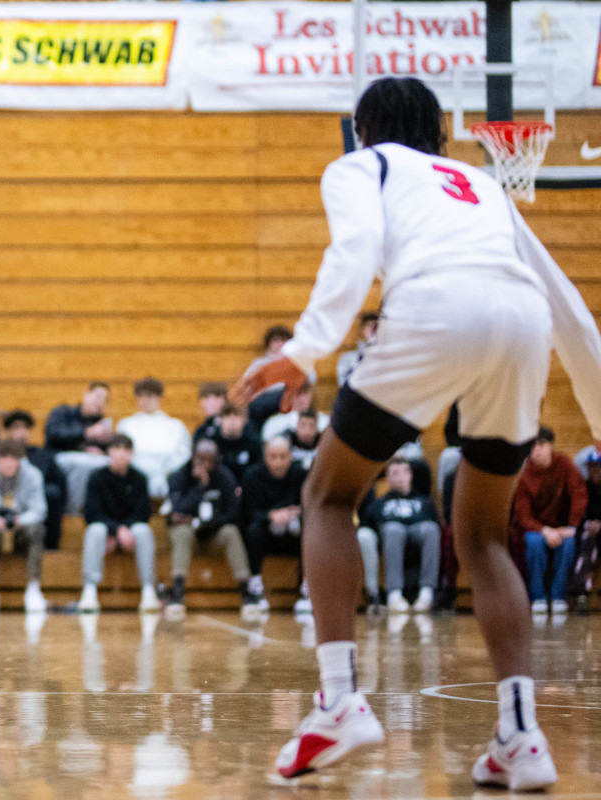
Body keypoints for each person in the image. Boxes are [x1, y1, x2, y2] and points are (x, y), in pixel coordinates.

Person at [231, 77, 601, 788]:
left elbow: (356, 248)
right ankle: (520, 736)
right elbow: (567, 302)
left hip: (435, 302)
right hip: (522, 321)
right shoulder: (480, 182)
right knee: (485, 534)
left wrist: (305, 348)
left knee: (329, 495)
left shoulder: (362, 166)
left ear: (362, 132)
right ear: (441, 137)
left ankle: (338, 700)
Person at [165, 439, 251, 617]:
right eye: (200, 460)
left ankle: (246, 592)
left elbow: (233, 514)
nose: (204, 465)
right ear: (193, 457)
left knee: (231, 532)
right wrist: (200, 487)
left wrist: (204, 523)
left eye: (209, 460)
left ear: (216, 460)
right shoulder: (179, 476)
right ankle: (178, 592)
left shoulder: (225, 477)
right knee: (181, 531)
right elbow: (176, 512)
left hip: (214, 535)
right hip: (190, 539)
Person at [77, 435, 158, 614]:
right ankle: (89, 590)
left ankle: (148, 590)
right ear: (109, 452)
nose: (121, 454)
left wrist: (123, 531)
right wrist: (115, 530)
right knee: (95, 530)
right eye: (117, 449)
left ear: (131, 454)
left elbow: (142, 513)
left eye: (126, 450)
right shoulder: (97, 477)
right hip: (108, 530)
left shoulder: (139, 478)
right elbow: (92, 512)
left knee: (143, 530)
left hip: (131, 531)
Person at [510, 427, 584, 615]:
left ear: (551, 446)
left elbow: (578, 493)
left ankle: (559, 596)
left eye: (541, 444)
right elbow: (523, 514)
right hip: (537, 530)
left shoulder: (565, 464)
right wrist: (545, 531)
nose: (537, 450)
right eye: (532, 446)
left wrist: (573, 526)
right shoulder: (524, 474)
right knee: (533, 543)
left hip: (563, 528)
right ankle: (538, 597)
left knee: (568, 544)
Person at [0, 439, 48, 614]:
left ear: (20, 459)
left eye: (13, 458)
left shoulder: (33, 475)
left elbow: (39, 510)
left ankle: (34, 588)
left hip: (22, 528)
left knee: (37, 529)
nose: (8, 462)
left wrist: (21, 520)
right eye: (3, 457)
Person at [362, 458, 441, 614]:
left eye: (405, 471)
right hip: (392, 535)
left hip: (418, 532)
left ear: (411, 475)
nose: (401, 476)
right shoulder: (380, 503)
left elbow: (434, 520)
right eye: (395, 473)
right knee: (393, 529)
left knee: (431, 529)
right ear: (388, 478)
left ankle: (426, 593)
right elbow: (369, 526)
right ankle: (394, 594)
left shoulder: (423, 501)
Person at [240, 437, 307, 613]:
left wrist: (295, 513)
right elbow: (247, 512)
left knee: (311, 530)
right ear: (265, 457)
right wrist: (271, 515)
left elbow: (310, 508)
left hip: (294, 535)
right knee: (254, 529)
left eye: (283, 456)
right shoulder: (252, 475)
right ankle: (255, 586)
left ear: (291, 456)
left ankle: (307, 588)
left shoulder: (301, 475)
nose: (278, 462)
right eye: (273, 457)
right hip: (264, 537)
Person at [116, 377, 193, 498]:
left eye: (149, 396)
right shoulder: (126, 425)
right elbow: (122, 454)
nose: (145, 400)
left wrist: (166, 473)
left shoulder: (175, 425)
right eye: (141, 396)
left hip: (169, 476)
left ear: (159, 397)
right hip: (135, 479)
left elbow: (183, 454)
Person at [2, 410, 67, 550]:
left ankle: (51, 546)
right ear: (8, 432)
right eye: (16, 427)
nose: (21, 432)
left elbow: (60, 483)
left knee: (53, 493)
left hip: (36, 504)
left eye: (25, 427)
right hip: (7, 501)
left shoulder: (43, 455)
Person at [46, 382, 113, 514]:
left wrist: (105, 446)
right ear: (86, 394)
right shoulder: (63, 412)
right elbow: (54, 435)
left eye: (105, 400)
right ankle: (73, 511)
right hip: (57, 459)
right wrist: (87, 433)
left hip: (88, 461)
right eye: (98, 396)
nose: (101, 402)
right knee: (83, 463)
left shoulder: (100, 423)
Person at [574, 450, 601, 613]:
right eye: (591, 467)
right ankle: (581, 595)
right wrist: (587, 524)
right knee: (585, 541)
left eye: (598, 467)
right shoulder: (584, 488)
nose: (595, 470)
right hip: (588, 532)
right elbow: (578, 513)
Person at [260, 383, 330, 443]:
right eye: (294, 392)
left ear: (311, 393)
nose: (300, 398)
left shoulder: (326, 423)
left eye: (304, 392)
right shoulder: (274, 424)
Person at [213, 403, 260, 483]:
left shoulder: (253, 443)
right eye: (227, 416)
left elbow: (258, 471)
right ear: (220, 420)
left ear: (245, 420)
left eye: (236, 416)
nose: (232, 421)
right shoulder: (212, 442)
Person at [337, 311, 380, 387]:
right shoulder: (348, 358)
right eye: (370, 325)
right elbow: (342, 382)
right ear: (363, 330)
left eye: (376, 326)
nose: (373, 329)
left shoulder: (386, 354)